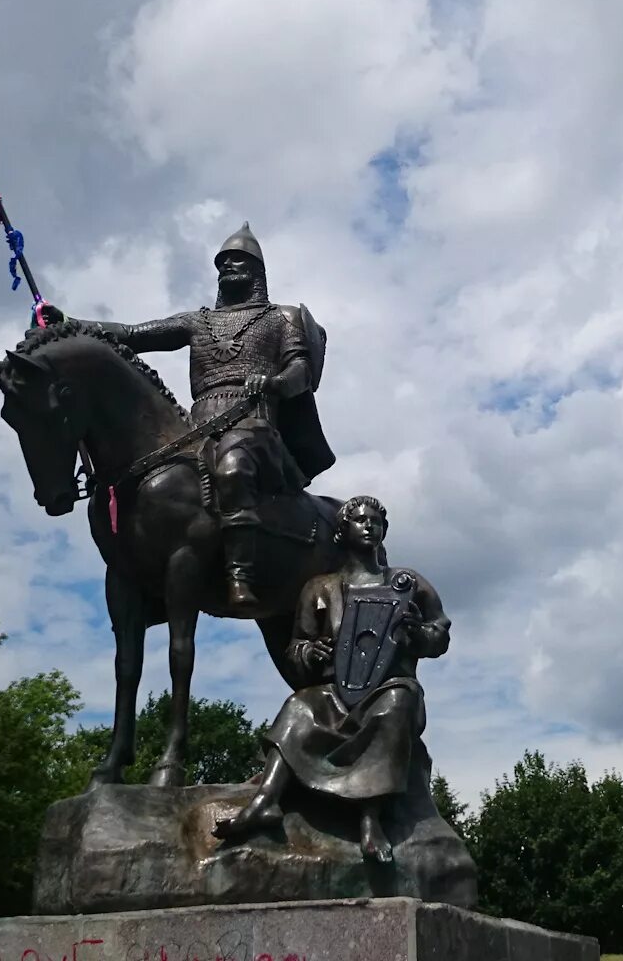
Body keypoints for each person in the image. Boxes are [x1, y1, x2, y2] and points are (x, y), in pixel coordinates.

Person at [43, 222, 333, 608]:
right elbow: (132, 334)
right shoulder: (198, 321)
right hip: (198, 427)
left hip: (255, 423)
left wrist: (275, 381)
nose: (229, 266)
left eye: (239, 260)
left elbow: (301, 370)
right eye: (223, 262)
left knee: (233, 469)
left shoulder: (282, 316)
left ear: (257, 271)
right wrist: (72, 326)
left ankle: (240, 574)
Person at [212, 496, 450, 862]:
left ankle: (370, 819)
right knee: (298, 707)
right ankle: (265, 800)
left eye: (376, 521)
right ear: (342, 532)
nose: (369, 526)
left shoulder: (407, 583)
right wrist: (310, 652)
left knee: (395, 705)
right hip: (333, 693)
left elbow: (440, 633)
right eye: (360, 520)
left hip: (391, 686)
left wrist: (418, 633)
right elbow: (296, 648)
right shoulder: (319, 588)